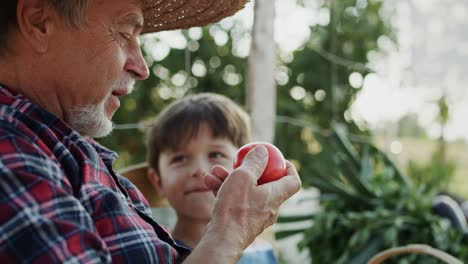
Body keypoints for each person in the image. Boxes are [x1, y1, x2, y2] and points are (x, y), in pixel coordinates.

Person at [0, 0, 301, 263]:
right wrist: (231, 229)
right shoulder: (10, 153)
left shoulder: (59, 146)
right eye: (125, 34)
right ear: (38, 22)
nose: (141, 67)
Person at [146, 93, 278, 263]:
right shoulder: (153, 256)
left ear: (246, 166)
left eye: (216, 154)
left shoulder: (264, 252)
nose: (199, 170)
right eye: (179, 158)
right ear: (158, 182)